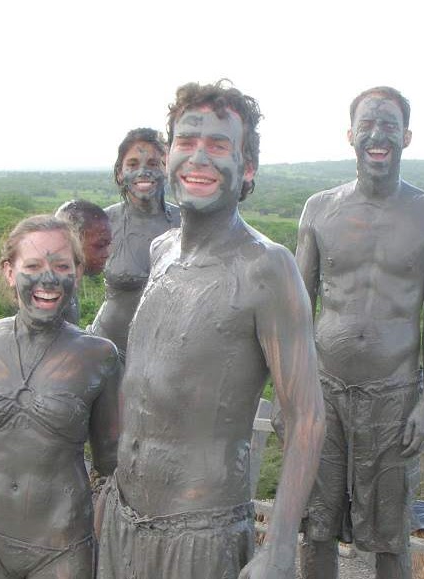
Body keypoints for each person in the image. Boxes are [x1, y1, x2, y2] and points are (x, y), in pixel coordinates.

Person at [95, 81, 325, 579]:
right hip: (121, 517)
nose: (199, 157)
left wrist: (281, 548)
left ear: (246, 169)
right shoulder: (161, 252)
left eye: (219, 145)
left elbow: (306, 417)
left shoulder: (267, 268)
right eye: (186, 141)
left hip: (201, 535)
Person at [294, 86, 424, 579]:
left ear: (405, 136)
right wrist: (290, 397)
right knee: (315, 523)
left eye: (388, 125)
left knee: (391, 532)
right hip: (323, 390)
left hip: (395, 394)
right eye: (367, 124)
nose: (377, 135)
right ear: (350, 135)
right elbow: (297, 311)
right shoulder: (319, 209)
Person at [0, 214, 119, 579]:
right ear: (9, 272)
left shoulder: (100, 356)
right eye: (33, 265)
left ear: (77, 273)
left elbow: (111, 462)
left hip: (62, 544)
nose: (48, 278)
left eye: (61, 265)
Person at [89, 128, 180, 361]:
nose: (143, 171)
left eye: (153, 163)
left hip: (169, 357)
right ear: (120, 173)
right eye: (132, 164)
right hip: (108, 351)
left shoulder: (187, 223)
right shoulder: (103, 223)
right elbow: (67, 280)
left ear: (167, 169)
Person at [55, 199, 112, 325]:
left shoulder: (67, 285)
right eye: (100, 246)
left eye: (108, 245)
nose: (107, 254)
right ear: (72, 240)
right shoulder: (51, 294)